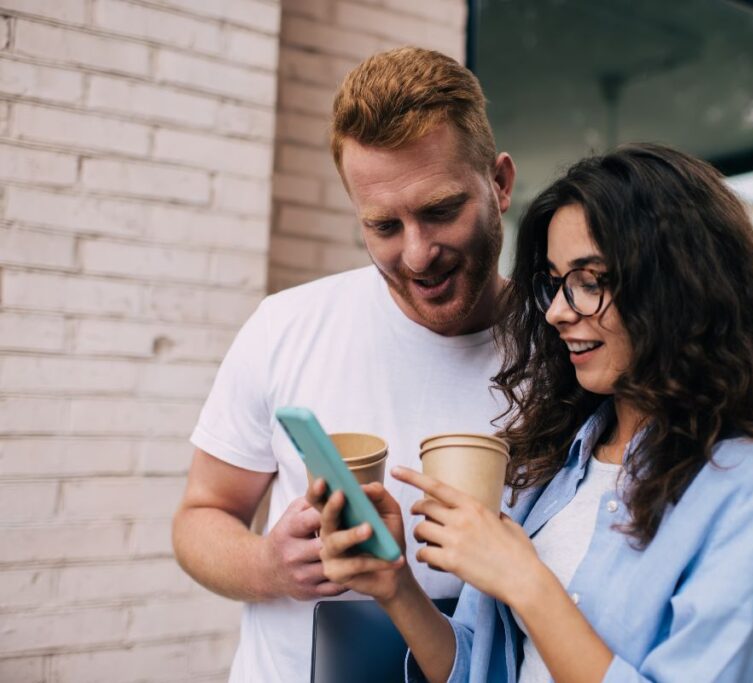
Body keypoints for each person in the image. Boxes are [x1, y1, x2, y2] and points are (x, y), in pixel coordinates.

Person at [312, 143, 753, 682]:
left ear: (678, 284)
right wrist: (394, 584)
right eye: (555, 283)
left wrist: (526, 581)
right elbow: (485, 673)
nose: (558, 311)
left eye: (589, 280)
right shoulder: (563, 466)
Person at [171, 46, 516, 683]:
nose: (417, 255)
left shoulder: (569, 353)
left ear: (498, 183)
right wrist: (268, 566)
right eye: (384, 225)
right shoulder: (285, 327)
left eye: (441, 210)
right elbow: (201, 515)